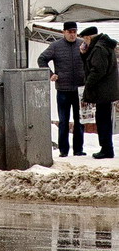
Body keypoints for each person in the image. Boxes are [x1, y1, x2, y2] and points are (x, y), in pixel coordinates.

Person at [37, 21, 86, 157]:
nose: (72, 34)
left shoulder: (83, 44)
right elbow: (42, 59)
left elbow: (91, 60)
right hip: (63, 89)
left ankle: (78, 149)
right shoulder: (55, 46)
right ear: (64, 32)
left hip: (80, 90)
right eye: (69, 32)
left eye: (74, 32)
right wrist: (50, 74)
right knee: (63, 121)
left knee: (80, 120)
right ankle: (63, 150)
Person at [80, 26, 118, 159]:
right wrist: (84, 54)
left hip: (103, 91)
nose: (85, 43)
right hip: (106, 90)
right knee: (104, 119)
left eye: (85, 40)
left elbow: (97, 70)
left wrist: (88, 85)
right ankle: (107, 148)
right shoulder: (104, 46)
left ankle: (106, 149)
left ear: (89, 37)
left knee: (103, 120)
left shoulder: (98, 49)